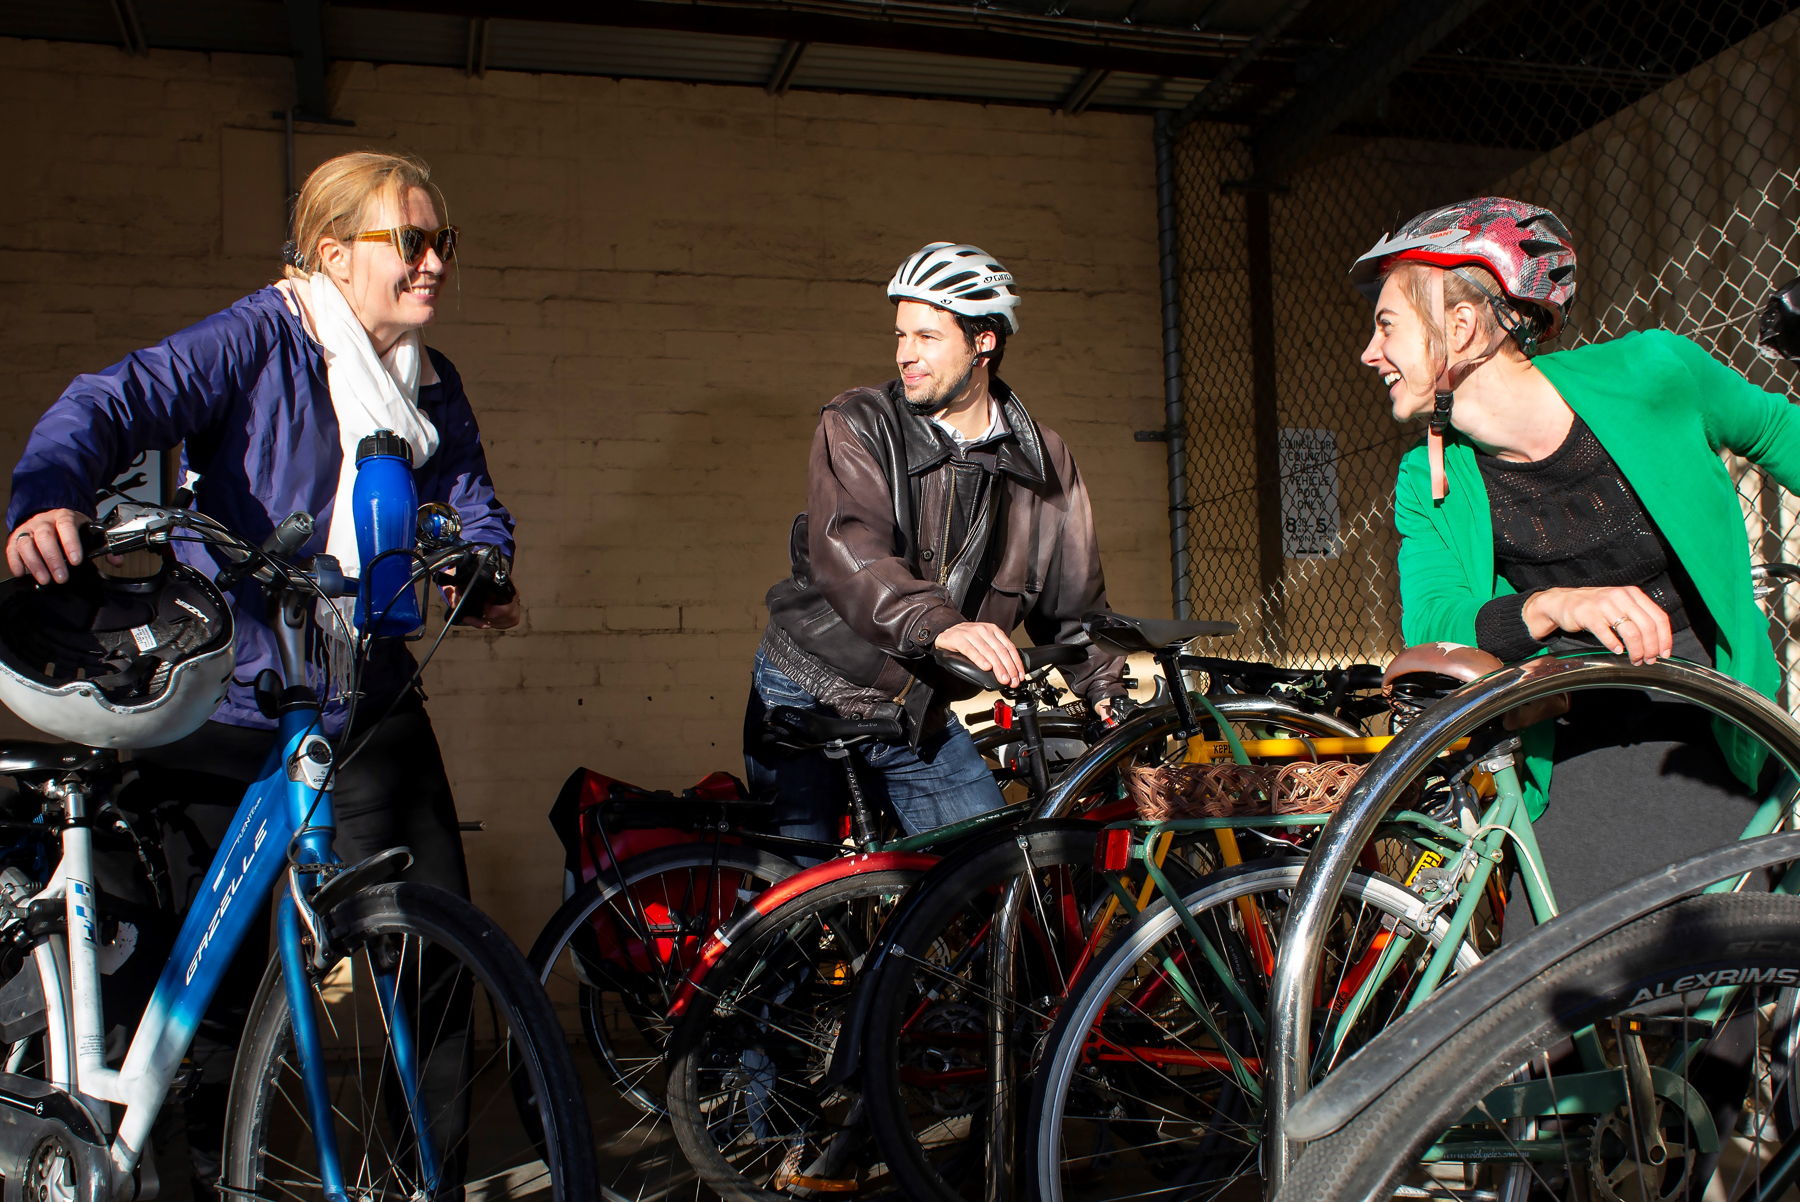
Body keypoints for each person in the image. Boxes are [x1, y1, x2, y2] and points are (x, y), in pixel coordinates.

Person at [4, 149, 518, 1196]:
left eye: (443, 244)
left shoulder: (431, 382)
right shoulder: (259, 337)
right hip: (232, 705)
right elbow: (116, 396)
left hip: (365, 701)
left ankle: (434, 1177)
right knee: (213, 992)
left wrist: (483, 556)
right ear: (333, 254)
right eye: (410, 242)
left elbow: (465, 489)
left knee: (434, 964)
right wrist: (48, 495)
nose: (433, 265)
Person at [1353, 195, 1800, 916]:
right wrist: (1551, 606)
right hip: (1568, 749)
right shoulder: (1427, 479)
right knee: (1550, 1011)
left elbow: (1778, 430)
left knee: (1725, 990)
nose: (1370, 354)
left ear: (1462, 327)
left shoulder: (1655, 374)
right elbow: (1435, 620)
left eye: (1387, 326)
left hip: (1707, 727)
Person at [749, 241, 1126, 842]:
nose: (906, 356)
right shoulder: (860, 420)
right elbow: (850, 547)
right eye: (900, 336)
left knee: (985, 875)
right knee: (798, 897)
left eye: (926, 338)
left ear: (984, 343)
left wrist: (1104, 691)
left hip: (915, 705)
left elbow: (1074, 604)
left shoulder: (1044, 458)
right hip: (812, 683)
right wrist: (940, 624)